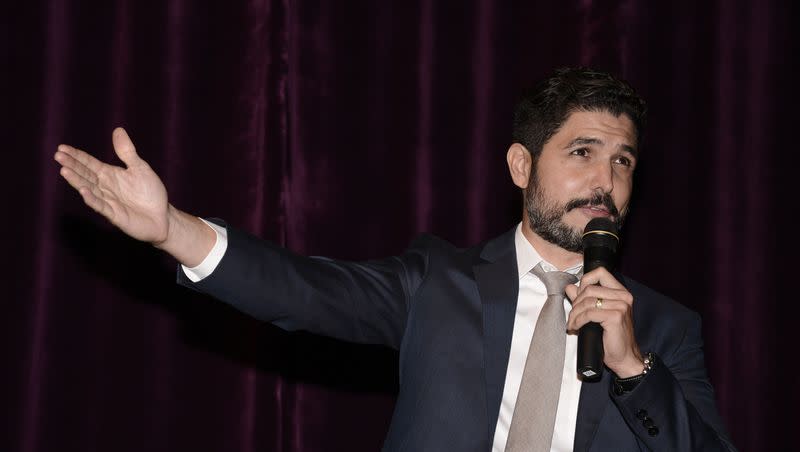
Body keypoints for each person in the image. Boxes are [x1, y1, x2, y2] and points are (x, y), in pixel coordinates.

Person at [54, 67, 736, 451]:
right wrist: (174, 229)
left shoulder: (665, 329)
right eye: (583, 152)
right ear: (522, 165)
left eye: (622, 161)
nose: (605, 180)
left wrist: (633, 369)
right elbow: (304, 291)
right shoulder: (437, 283)